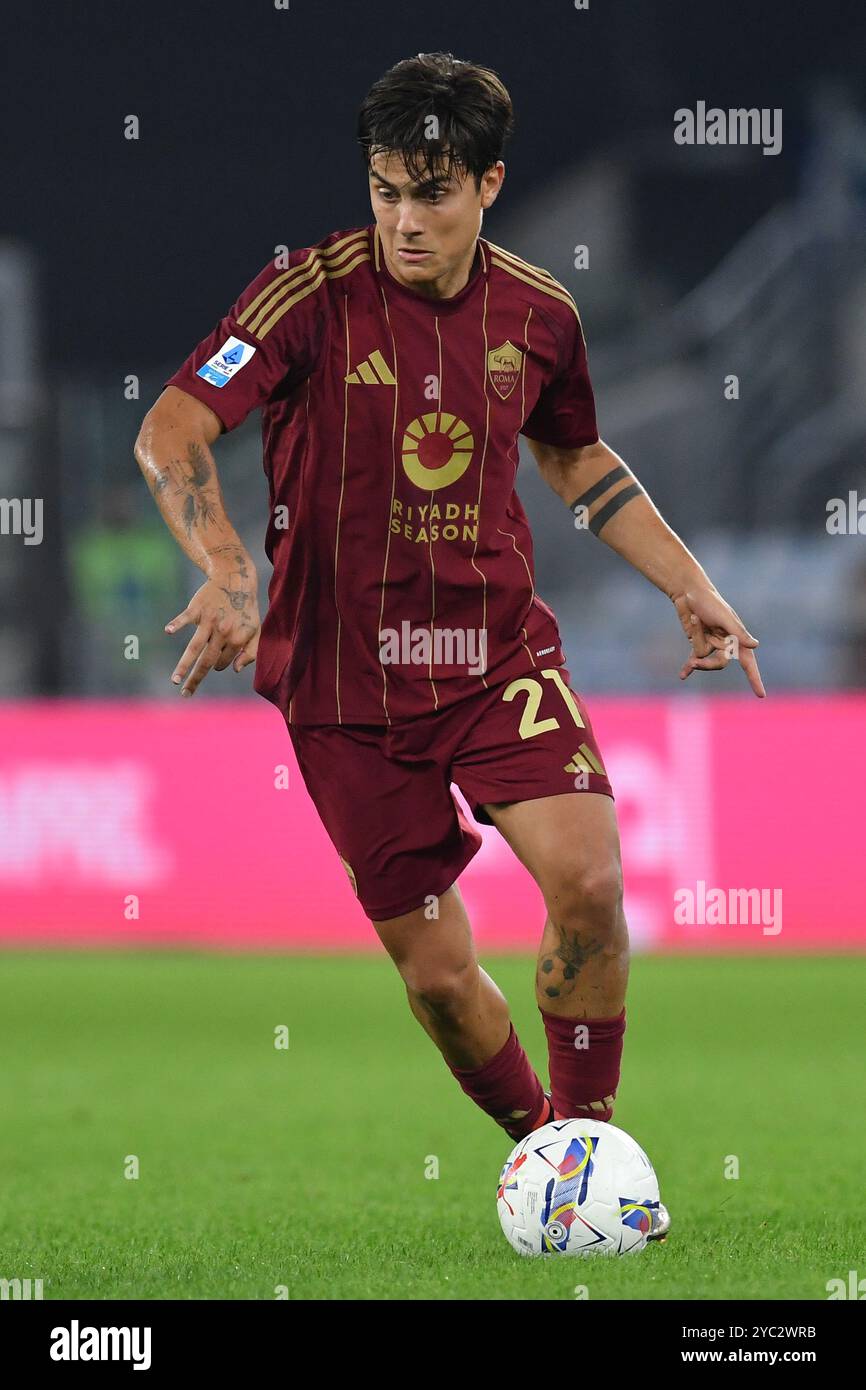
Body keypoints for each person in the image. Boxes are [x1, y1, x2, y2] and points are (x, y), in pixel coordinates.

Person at [135, 52, 765, 1242]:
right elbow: (172, 426)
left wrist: (691, 586)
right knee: (434, 976)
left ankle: (590, 1145)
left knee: (584, 881)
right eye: (384, 190)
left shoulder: (539, 314)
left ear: (489, 184)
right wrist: (226, 567)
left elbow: (574, 458)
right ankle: (548, 1159)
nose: (403, 219)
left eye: (431, 191)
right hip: (339, 683)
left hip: (493, 656)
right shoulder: (303, 293)